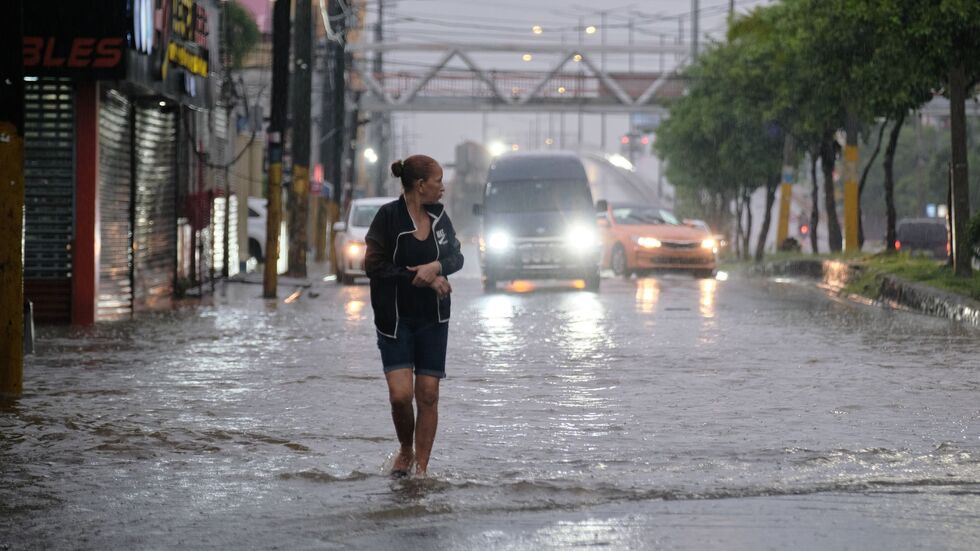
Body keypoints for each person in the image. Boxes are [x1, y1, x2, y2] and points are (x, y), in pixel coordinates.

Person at [364, 154, 464, 477]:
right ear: (421, 186)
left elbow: (456, 256)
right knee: (401, 395)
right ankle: (405, 448)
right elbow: (373, 266)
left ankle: (421, 470)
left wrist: (437, 267)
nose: (443, 189)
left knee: (429, 394)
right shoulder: (387, 218)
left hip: (433, 319)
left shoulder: (439, 219)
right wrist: (417, 277)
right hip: (395, 320)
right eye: (438, 182)